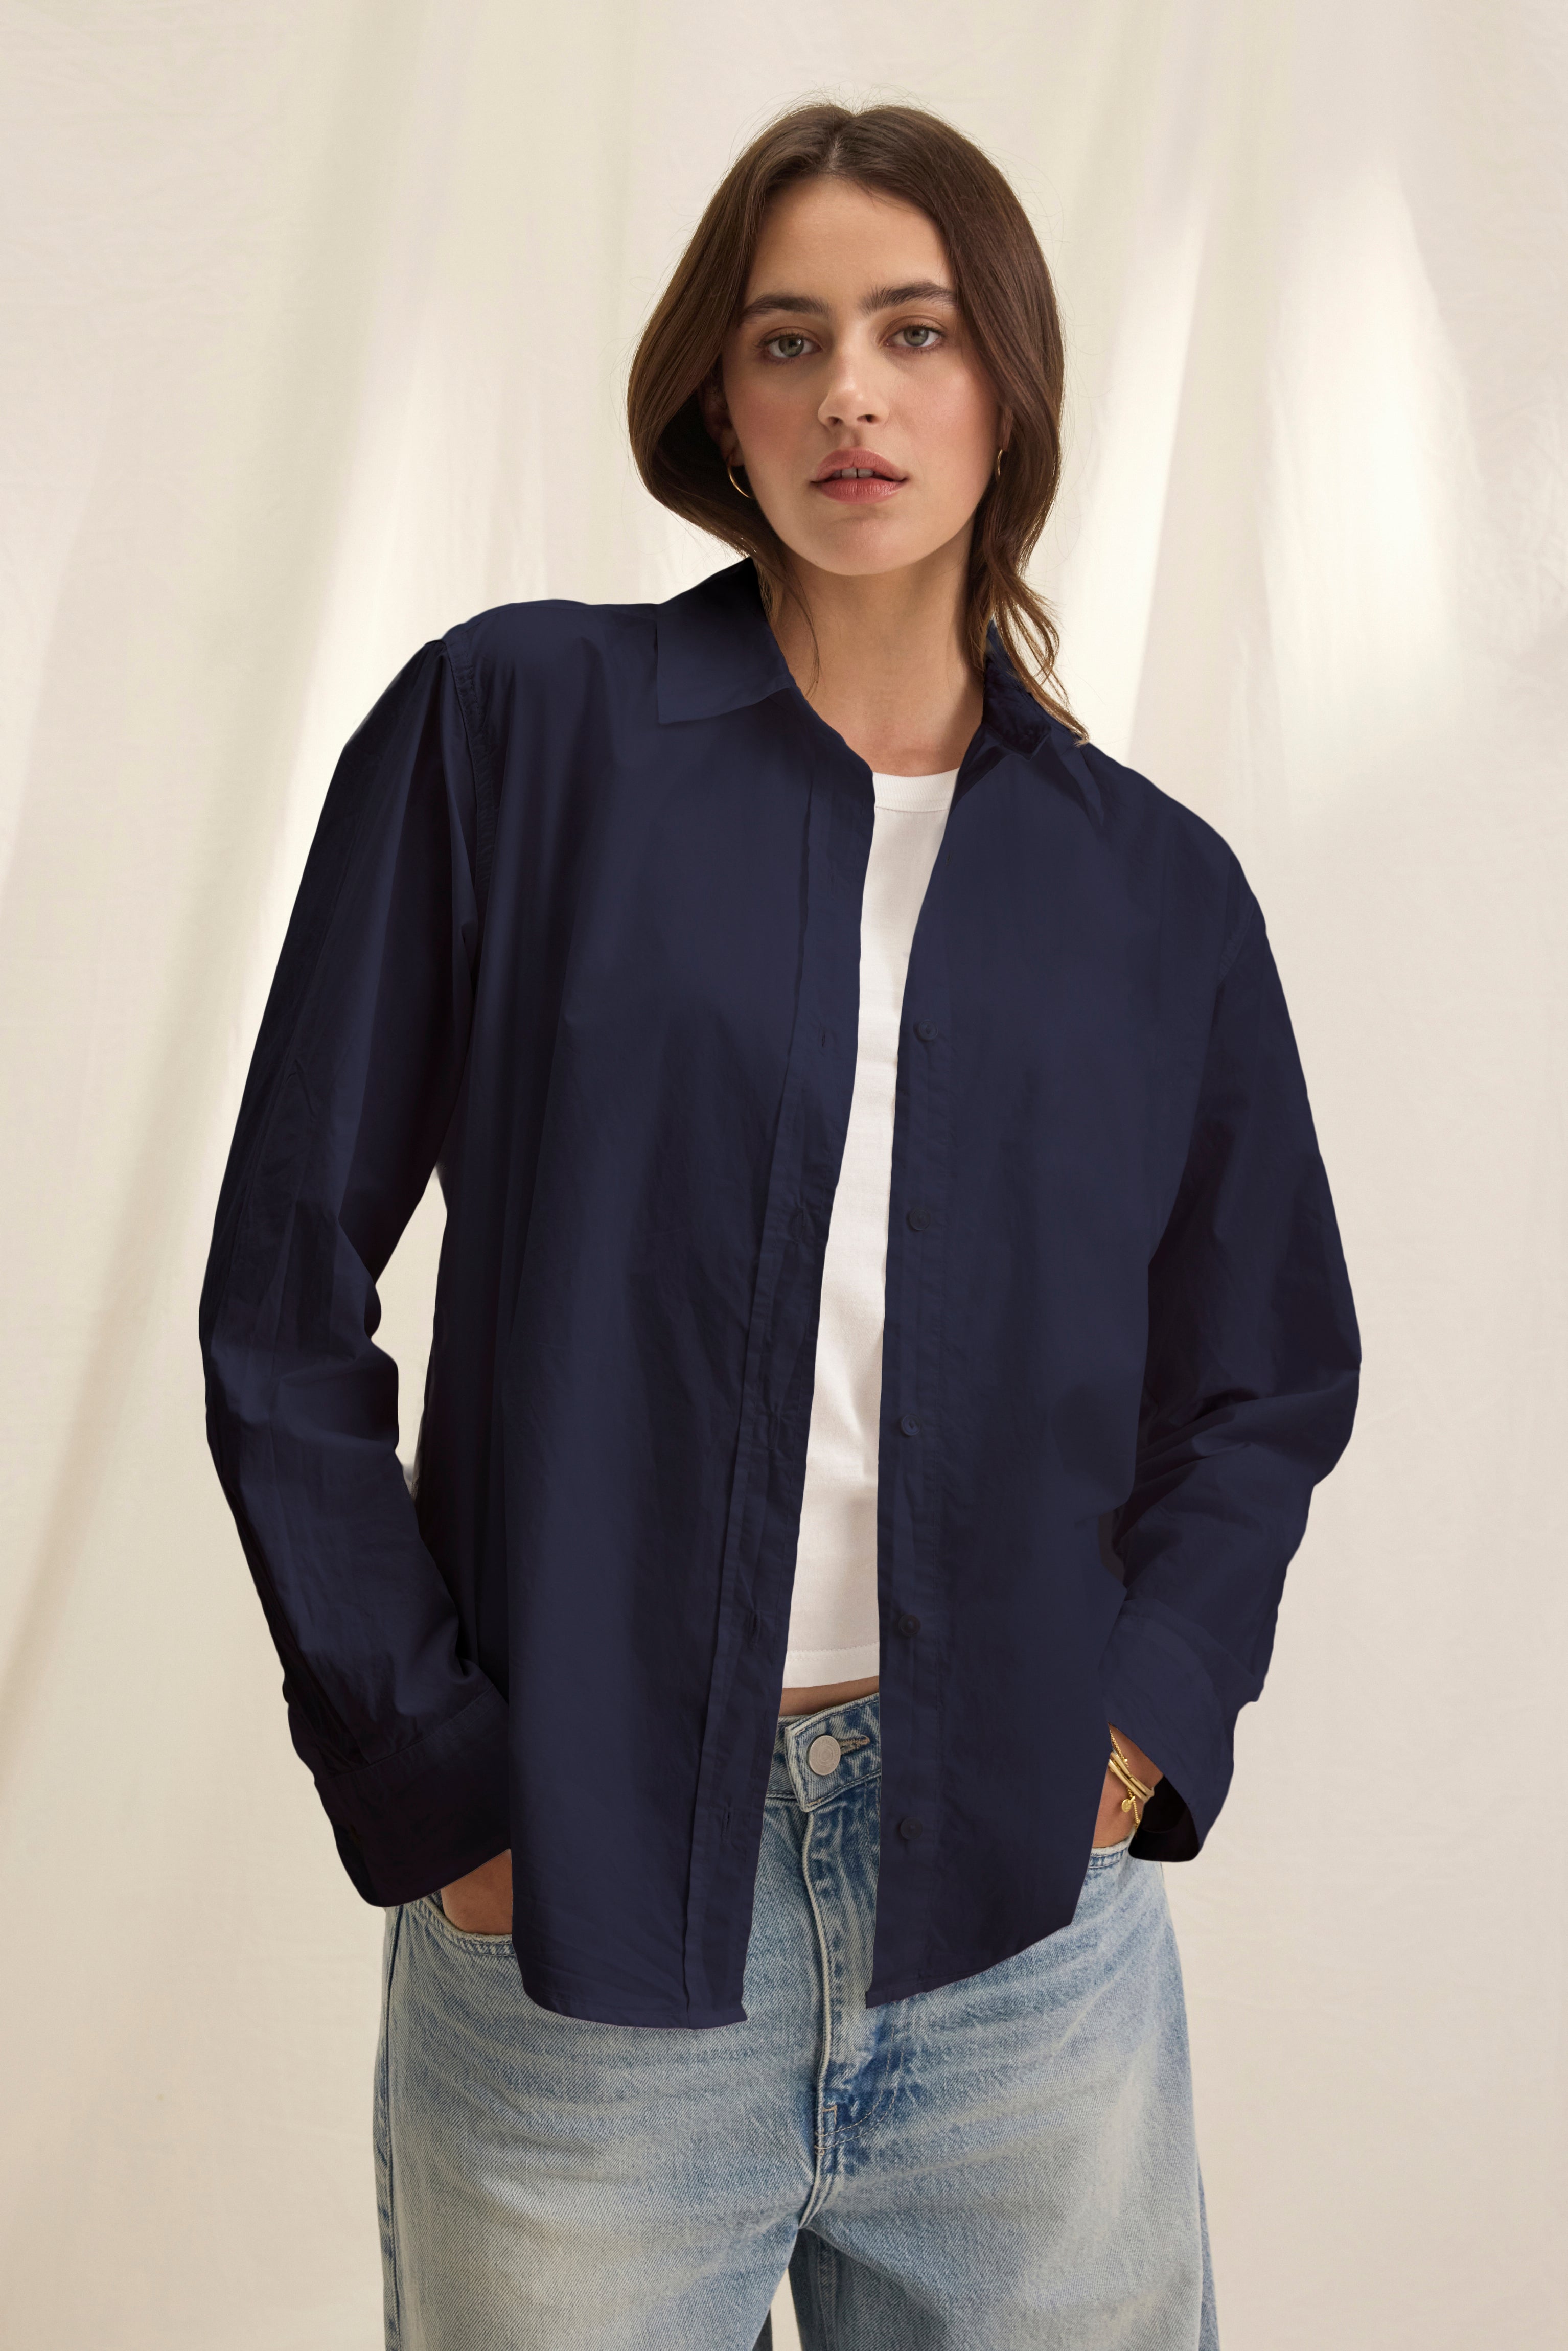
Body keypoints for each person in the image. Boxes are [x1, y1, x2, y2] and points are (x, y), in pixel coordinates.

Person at [199, 100, 1359, 2351]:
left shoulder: (1151, 891)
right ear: (714, 406)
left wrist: (1133, 1728)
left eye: (912, 333)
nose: (849, 391)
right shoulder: (512, 733)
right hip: (585, 1927)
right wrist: (434, 1779)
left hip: (1024, 1943)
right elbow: (281, 1299)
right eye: (787, 338)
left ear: (998, 381)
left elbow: (1265, 1370)